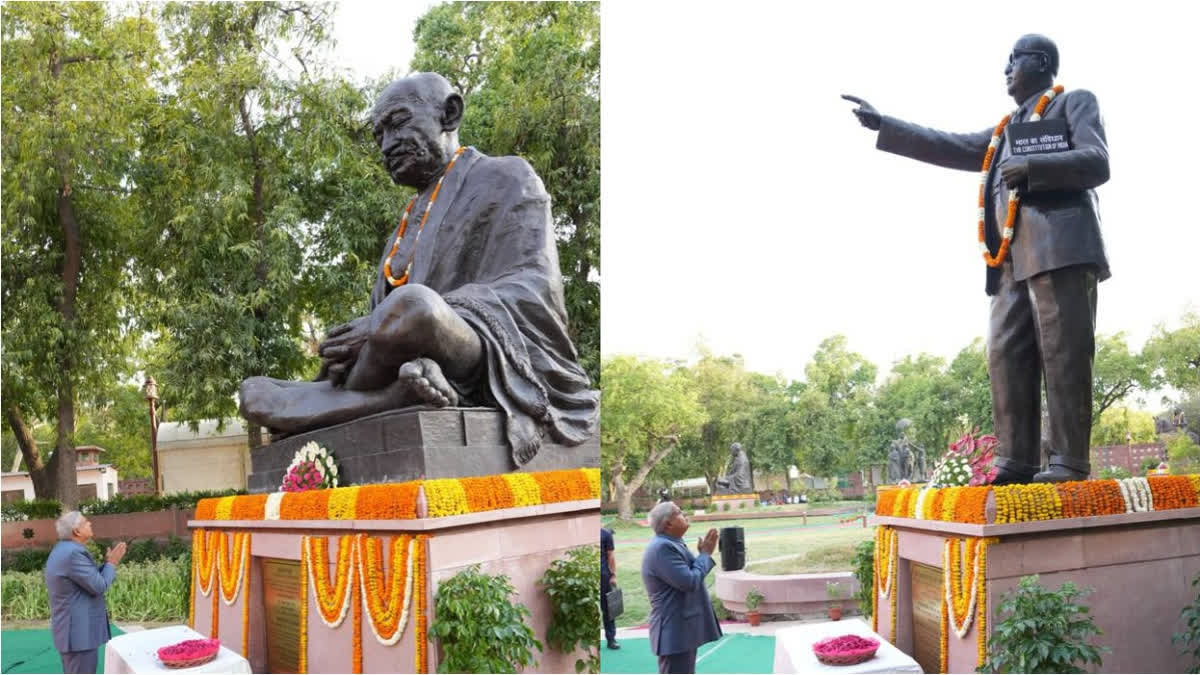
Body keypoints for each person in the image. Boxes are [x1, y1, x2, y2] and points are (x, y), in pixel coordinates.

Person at [241, 72, 598, 466]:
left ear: (450, 113)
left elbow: (535, 288)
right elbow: (385, 327)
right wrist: (352, 344)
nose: (387, 145)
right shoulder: (407, 220)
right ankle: (391, 399)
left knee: (415, 307)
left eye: (397, 124)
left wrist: (398, 319)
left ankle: (351, 403)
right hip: (399, 363)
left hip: (482, 351)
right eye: (379, 137)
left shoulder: (508, 177)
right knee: (253, 391)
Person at [845, 34, 1109, 483]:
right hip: (1008, 260)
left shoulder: (1075, 102)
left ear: (1041, 62)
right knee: (1006, 355)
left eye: (1014, 59)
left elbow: (1097, 161)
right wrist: (886, 125)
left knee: (1063, 355)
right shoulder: (1006, 130)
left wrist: (1035, 169)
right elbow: (953, 145)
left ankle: (1068, 462)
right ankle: (1015, 460)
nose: (1005, 68)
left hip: (1060, 247)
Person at [641, 501, 721, 674]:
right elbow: (690, 581)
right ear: (668, 523)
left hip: (681, 630)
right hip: (674, 631)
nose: (684, 514)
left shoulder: (672, 543)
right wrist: (705, 555)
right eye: (678, 512)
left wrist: (701, 556)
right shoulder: (662, 548)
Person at [46, 511, 127, 674]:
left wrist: (106, 564)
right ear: (76, 531)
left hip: (74, 632)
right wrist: (112, 563)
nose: (90, 523)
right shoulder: (73, 553)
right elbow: (99, 585)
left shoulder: (65, 549)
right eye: (86, 522)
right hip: (78, 634)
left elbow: (88, 579)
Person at [600, 527, 619, 650]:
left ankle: (611, 639)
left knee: (608, 609)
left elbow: (610, 555)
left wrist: (613, 575)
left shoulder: (606, 534)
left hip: (604, 575)